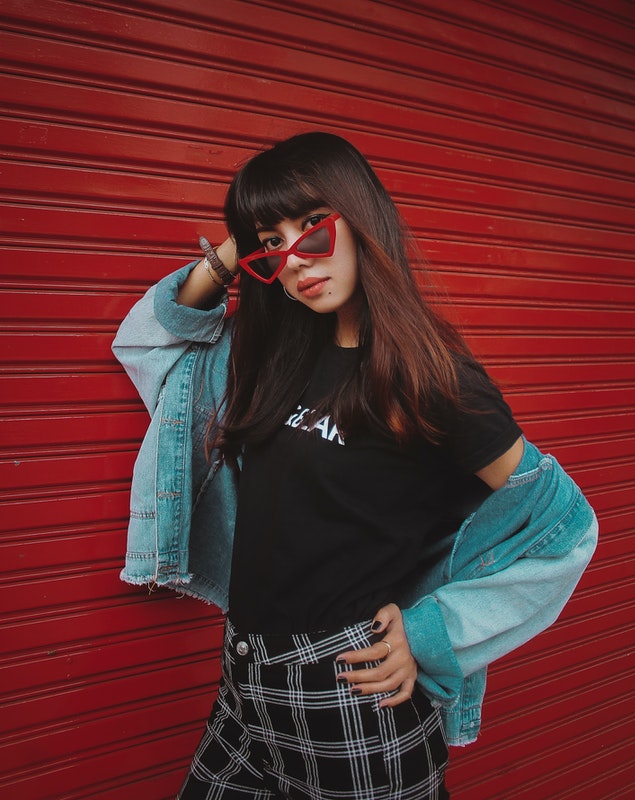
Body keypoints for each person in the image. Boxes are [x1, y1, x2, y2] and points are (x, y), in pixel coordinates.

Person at [113, 132, 598, 800]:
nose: (296, 259)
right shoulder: (271, 357)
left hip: (348, 696)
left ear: (361, 216)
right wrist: (238, 244)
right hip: (243, 685)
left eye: (314, 226)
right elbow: (149, 338)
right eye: (272, 244)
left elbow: (565, 526)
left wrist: (433, 633)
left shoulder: (433, 383)